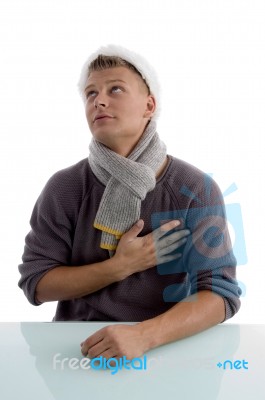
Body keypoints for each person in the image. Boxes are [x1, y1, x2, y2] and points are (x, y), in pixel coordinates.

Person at [18, 44, 241, 361]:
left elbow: (220, 293)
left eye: (115, 89)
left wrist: (144, 336)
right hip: (77, 351)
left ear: (149, 105)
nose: (100, 101)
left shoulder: (196, 189)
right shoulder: (63, 187)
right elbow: (36, 283)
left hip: (167, 348)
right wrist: (118, 267)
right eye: (91, 93)